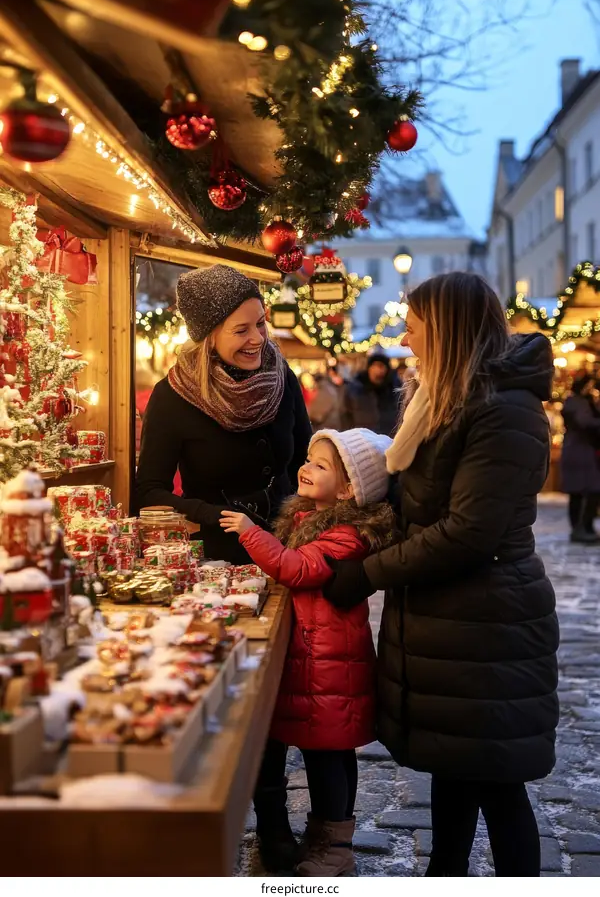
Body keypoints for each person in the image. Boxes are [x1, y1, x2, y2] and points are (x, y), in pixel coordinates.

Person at [323, 272, 559, 878]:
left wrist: (367, 573)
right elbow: (419, 502)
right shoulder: (442, 400)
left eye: (416, 322)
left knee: (499, 789)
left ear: (447, 328)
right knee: (455, 773)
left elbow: (467, 534)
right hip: (447, 623)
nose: (407, 334)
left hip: (485, 625)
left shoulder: (503, 411)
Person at [220, 428, 395, 876]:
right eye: (307, 459)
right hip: (315, 661)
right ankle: (322, 838)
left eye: (320, 465)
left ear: (350, 488)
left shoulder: (347, 534)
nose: (305, 468)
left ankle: (335, 846)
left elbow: (297, 569)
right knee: (325, 753)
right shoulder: (309, 519)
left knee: (329, 757)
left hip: (330, 666)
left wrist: (250, 533)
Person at [135, 266, 312, 563]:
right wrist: (208, 513)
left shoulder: (282, 377)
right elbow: (150, 491)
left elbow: (303, 461)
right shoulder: (173, 396)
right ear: (209, 337)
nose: (257, 339)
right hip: (219, 557)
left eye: (260, 324)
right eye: (241, 330)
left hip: (287, 546)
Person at [560, 373, 600, 543]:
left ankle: (579, 528)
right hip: (581, 452)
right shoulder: (580, 403)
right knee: (590, 491)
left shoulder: (572, 402)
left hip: (574, 450)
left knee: (577, 493)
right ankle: (581, 528)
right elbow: (585, 423)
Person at [344, 352, 400, 436]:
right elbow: (346, 414)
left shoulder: (394, 388)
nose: (378, 370)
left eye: (381, 366)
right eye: (376, 365)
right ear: (369, 368)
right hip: (362, 439)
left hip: (388, 438)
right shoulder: (355, 388)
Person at [309, 364, 346, 431]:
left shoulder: (327, 389)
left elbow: (316, 415)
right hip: (332, 428)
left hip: (326, 429)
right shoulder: (333, 388)